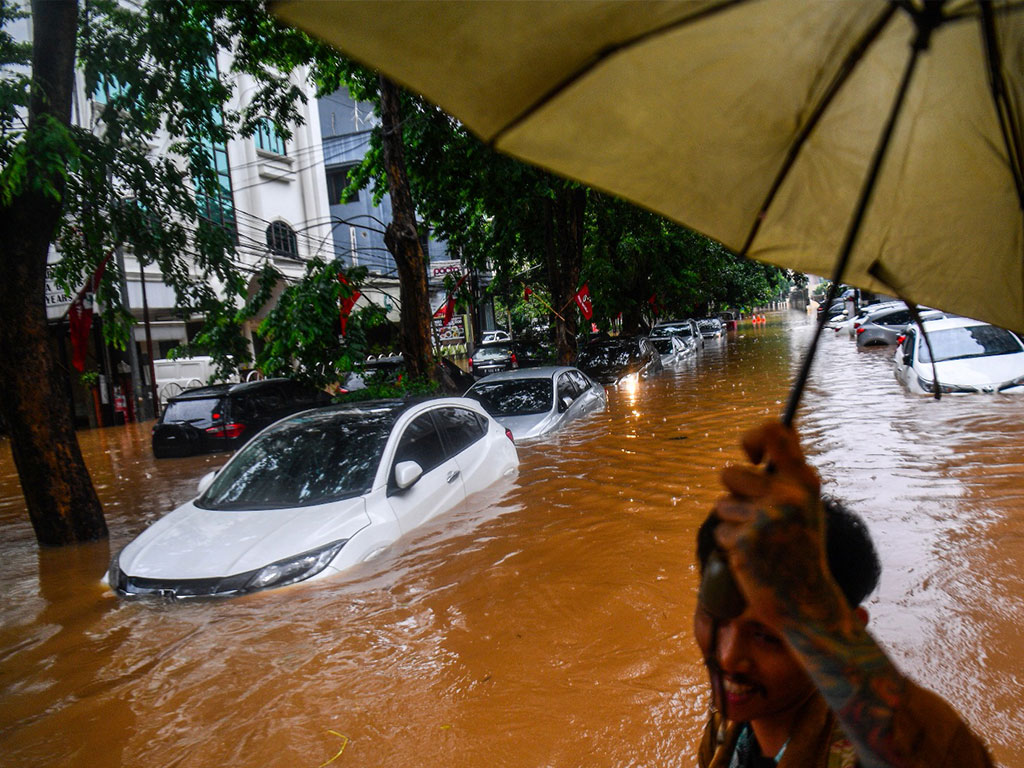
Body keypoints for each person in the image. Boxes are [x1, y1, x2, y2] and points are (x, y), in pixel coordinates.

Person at [694, 421, 993, 768]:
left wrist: (814, 609)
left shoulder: (854, 751)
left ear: (846, 627)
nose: (728, 657)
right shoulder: (731, 723)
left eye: (767, 637)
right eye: (715, 618)